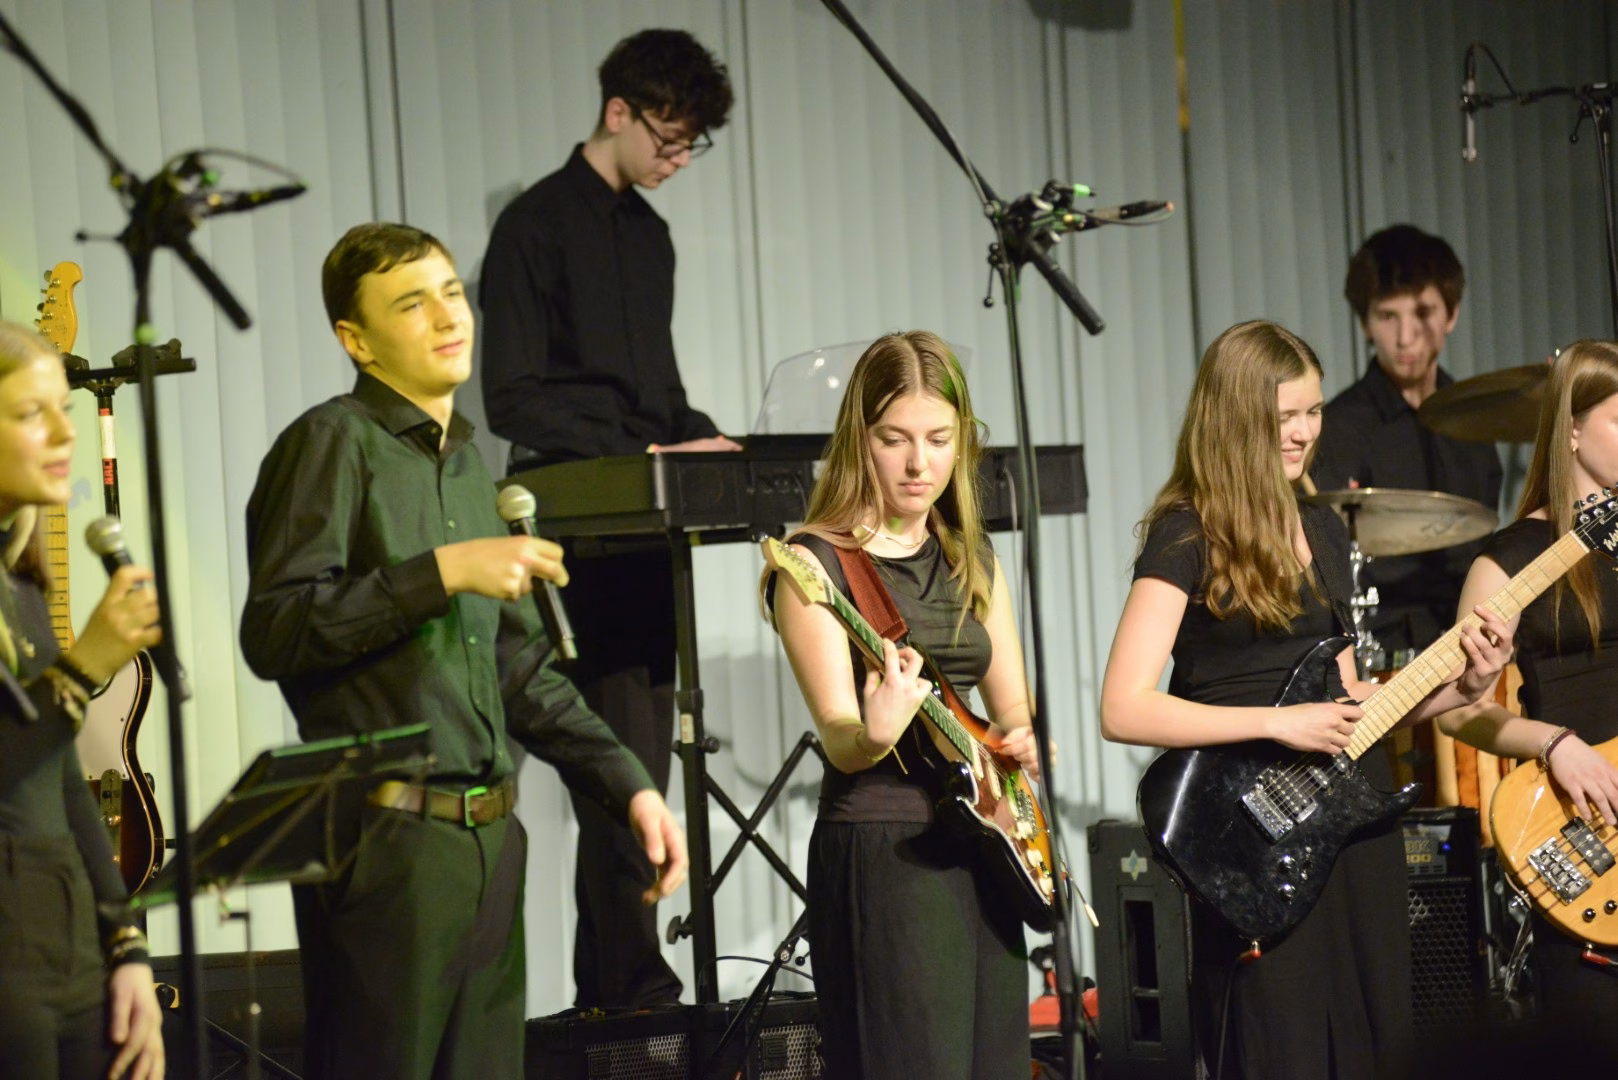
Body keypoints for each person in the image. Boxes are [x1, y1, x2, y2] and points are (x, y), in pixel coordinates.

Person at [239, 223, 688, 1079]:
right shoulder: (332, 441)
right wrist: (441, 572)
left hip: (489, 838)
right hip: (388, 841)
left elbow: (521, 672)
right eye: (412, 303)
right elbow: (278, 629)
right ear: (357, 341)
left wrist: (630, 785)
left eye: (451, 292)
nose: (449, 316)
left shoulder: (470, 467)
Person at [1098, 320, 1512, 1078]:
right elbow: (1123, 708)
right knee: (1277, 1043)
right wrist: (1276, 723)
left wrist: (1464, 684)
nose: (1303, 432)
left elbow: (1353, 702)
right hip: (1248, 832)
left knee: (1375, 1036)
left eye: (1314, 411)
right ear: (1234, 418)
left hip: (1351, 822)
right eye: (1283, 415)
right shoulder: (1185, 533)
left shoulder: (1322, 525)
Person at [478, 27, 737, 1010]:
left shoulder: (650, 237)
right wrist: (639, 452)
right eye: (669, 138)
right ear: (618, 111)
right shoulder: (533, 227)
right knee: (573, 769)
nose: (679, 160)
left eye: (690, 145)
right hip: (565, 526)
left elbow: (658, 395)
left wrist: (708, 442)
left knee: (636, 769)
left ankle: (626, 996)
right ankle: (614, 999)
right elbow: (513, 398)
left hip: (639, 529)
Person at [764, 331, 1042, 1079]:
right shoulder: (816, 564)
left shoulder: (970, 555)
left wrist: (1019, 744)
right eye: (895, 439)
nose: (920, 463)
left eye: (939, 440)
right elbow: (841, 736)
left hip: (985, 843)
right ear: (860, 440)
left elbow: (1012, 708)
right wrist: (874, 730)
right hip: (890, 848)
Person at [0, 321, 164, 1079]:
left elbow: (62, 779)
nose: (66, 433)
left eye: (64, 409)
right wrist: (84, 668)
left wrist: (126, 946)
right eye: (31, 413)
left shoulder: (20, 581)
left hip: (69, 943)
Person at [1438, 340, 1618, 1031]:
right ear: (1570, 429)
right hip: (1582, 823)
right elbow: (1458, 713)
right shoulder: (1510, 559)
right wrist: (1554, 743)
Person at [1311, 224, 1504, 656]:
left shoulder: (1478, 422)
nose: (1405, 337)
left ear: (1451, 314)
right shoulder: (1337, 429)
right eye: (1387, 316)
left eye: (1422, 312)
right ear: (1365, 323)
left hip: (1476, 638)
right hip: (1382, 649)